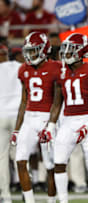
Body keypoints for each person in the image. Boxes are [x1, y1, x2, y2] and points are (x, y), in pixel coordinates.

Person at [39, 33, 88, 203]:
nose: (66, 53)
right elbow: (56, 103)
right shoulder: (61, 73)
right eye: (65, 50)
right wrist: (50, 127)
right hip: (68, 120)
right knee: (59, 162)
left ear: (81, 51)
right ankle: (63, 201)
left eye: (71, 50)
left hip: (87, 119)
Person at [12, 32, 60, 203]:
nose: (30, 55)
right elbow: (24, 101)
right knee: (20, 160)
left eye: (35, 50)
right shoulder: (23, 69)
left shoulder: (56, 67)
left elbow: (57, 100)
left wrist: (52, 124)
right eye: (29, 51)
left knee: (50, 165)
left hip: (47, 117)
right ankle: (30, 200)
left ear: (44, 50)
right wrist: (17, 129)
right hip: (30, 118)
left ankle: (51, 200)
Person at [0, 43, 22, 203]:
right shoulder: (18, 67)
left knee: (2, 158)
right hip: (17, 117)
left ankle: (6, 195)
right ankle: (25, 190)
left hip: (1, 116)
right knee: (19, 156)